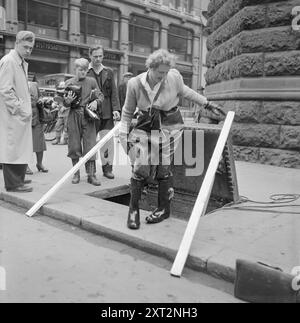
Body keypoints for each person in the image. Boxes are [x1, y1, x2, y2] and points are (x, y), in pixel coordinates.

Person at [119, 49, 225, 230]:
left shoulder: (173, 77)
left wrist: (207, 103)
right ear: (150, 68)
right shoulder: (135, 84)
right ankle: (133, 210)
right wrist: (123, 135)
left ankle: (163, 208)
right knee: (140, 166)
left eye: (166, 71)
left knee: (163, 167)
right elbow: (127, 112)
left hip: (171, 125)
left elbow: (186, 92)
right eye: (160, 72)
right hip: (147, 126)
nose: (164, 76)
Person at [0, 31, 35, 193]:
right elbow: (5, 90)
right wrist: (19, 109)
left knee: (21, 148)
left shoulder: (19, 61)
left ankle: (18, 179)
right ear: (16, 44)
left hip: (20, 114)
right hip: (13, 114)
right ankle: (13, 184)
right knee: (12, 148)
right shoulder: (9, 61)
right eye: (26, 47)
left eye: (31, 48)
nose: (28, 50)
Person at [64, 58, 102, 186]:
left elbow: (100, 96)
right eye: (81, 70)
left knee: (90, 145)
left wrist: (96, 102)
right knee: (74, 145)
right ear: (75, 69)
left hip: (88, 115)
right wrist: (67, 101)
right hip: (73, 115)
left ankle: (91, 175)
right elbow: (63, 102)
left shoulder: (91, 81)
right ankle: (76, 173)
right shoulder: (69, 82)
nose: (83, 72)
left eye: (86, 70)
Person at [87, 45, 121, 180]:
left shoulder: (109, 72)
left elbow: (114, 92)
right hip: (91, 112)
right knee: (90, 142)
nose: (98, 59)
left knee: (107, 142)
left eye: (100, 56)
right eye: (95, 56)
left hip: (107, 112)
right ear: (90, 55)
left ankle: (107, 169)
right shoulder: (85, 70)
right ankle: (91, 171)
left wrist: (116, 110)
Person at [28, 78, 49, 173]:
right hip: (25, 117)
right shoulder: (17, 83)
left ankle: (39, 164)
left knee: (40, 142)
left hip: (36, 117)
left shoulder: (34, 84)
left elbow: (40, 96)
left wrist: (40, 101)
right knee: (25, 144)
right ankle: (25, 166)